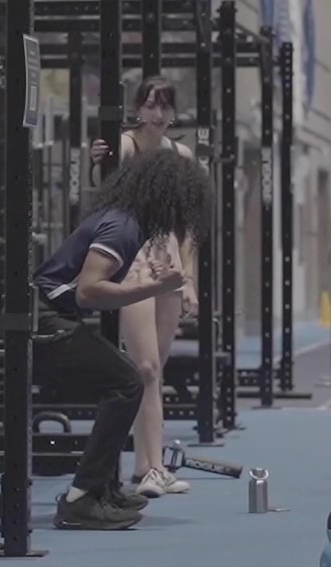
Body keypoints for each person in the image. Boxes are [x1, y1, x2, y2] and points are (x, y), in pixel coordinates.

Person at [36, 147, 213, 529]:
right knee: (128, 382)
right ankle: (81, 497)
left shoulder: (129, 223)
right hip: (44, 323)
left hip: (56, 318)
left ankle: (100, 489)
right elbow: (88, 292)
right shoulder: (123, 227)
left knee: (128, 379)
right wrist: (153, 287)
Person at [90, 76, 200, 497]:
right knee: (145, 368)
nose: (158, 114)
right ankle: (149, 466)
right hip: (132, 260)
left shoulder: (181, 156)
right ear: (138, 108)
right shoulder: (124, 146)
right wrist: (97, 157)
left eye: (165, 106)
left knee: (156, 372)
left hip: (167, 261)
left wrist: (188, 279)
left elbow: (188, 226)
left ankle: (147, 466)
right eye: (151, 105)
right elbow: (102, 189)